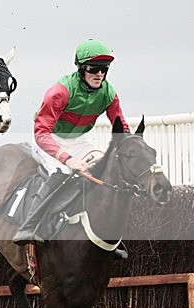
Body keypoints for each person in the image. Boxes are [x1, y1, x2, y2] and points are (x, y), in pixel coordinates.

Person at [13, 38, 130, 250]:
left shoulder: (108, 93)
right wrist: (67, 159)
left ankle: (108, 236)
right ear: (81, 67)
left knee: (102, 169)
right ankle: (29, 226)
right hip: (48, 138)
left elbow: (121, 128)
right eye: (94, 68)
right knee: (61, 172)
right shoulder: (60, 91)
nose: (100, 74)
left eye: (104, 69)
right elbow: (41, 132)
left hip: (78, 140)